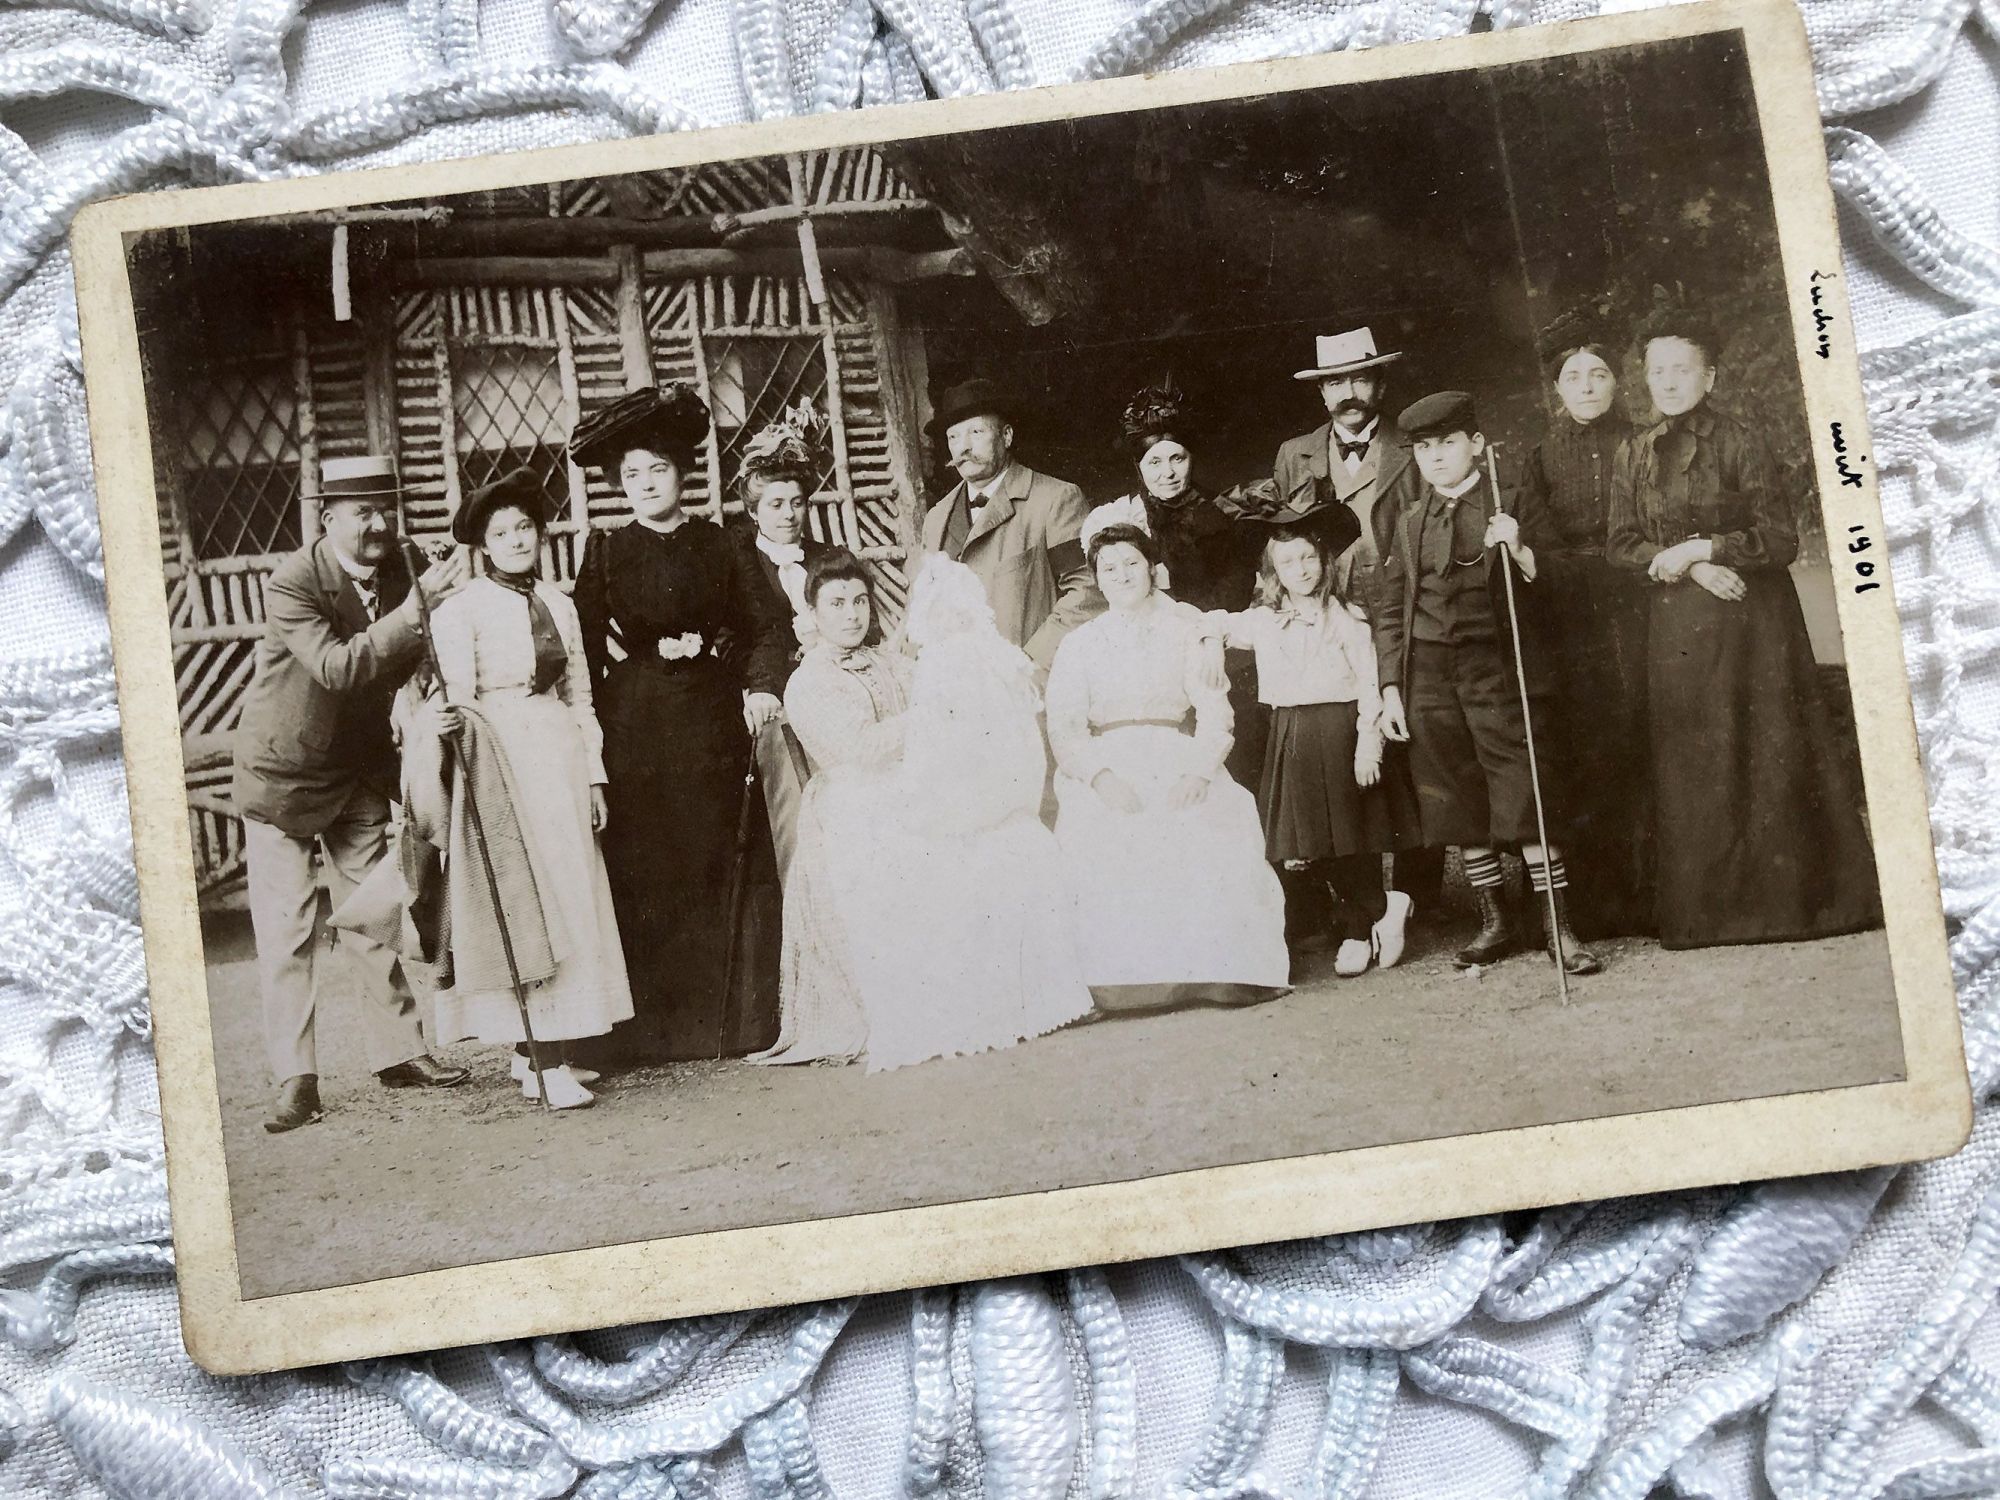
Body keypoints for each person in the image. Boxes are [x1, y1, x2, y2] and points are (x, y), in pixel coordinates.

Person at [1606, 309, 1881, 948]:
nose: (1669, 382)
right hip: (1678, 624)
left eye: (1683, 369)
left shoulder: (1741, 440)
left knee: (1765, 748)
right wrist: (1688, 566)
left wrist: (1706, 546)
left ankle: (1794, 908)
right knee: (1696, 760)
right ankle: (1707, 916)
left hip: (1754, 624)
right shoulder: (1634, 451)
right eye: (1658, 371)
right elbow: (1621, 545)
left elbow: (1780, 539)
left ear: (1710, 376)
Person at [754, 550, 1091, 1070]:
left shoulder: (892, 661)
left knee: (999, 839)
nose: (851, 614)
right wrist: (934, 716)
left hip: (911, 787)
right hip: (852, 806)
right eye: (837, 603)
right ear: (813, 613)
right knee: (926, 857)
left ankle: (1004, 995)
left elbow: (950, 691)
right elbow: (861, 749)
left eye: (860, 601)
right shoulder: (809, 680)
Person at [232, 454, 470, 1134]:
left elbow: (421, 658)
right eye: (362, 513)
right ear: (328, 518)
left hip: (358, 771)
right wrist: (418, 609)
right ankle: (296, 1080)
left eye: (385, 509)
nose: (378, 525)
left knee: (374, 914)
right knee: (287, 934)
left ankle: (399, 1053)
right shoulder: (293, 582)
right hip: (284, 772)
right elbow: (337, 668)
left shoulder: (405, 565)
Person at [567, 384, 793, 1066]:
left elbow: (769, 627)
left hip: (711, 720)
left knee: (717, 856)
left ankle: (732, 1026)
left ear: (681, 476)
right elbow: (575, 645)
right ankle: (649, 1033)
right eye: (630, 475)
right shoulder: (606, 552)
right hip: (634, 723)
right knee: (647, 867)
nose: (643, 485)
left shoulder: (722, 543)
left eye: (656, 471)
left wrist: (758, 687)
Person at [423, 472, 633, 1111]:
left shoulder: (559, 602)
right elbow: (456, 698)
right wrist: (446, 722)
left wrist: (594, 774)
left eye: (525, 529)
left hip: (561, 752)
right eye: (502, 533)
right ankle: (538, 1058)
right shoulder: (461, 611)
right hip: (504, 759)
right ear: (482, 545)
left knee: (572, 891)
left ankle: (548, 1048)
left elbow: (580, 694)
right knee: (529, 895)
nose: (517, 540)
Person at [1372, 392, 1600, 976]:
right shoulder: (1409, 520)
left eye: (1448, 443)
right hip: (1427, 674)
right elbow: (1391, 609)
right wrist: (1391, 688)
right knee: (1456, 793)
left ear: (1475, 445)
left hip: (1500, 666)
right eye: (1425, 448)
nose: (1437, 457)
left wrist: (1521, 549)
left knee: (1525, 786)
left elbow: (1570, 581)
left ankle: (1557, 927)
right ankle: (1495, 921)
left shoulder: (1516, 503)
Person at [1046, 499, 1290, 1009]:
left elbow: (1215, 712)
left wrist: (1200, 771)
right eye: (1108, 568)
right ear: (1095, 578)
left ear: (1153, 569)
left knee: (1207, 816)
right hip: (1107, 759)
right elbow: (1066, 729)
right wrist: (1100, 777)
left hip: (1175, 751)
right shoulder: (1079, 644)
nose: (1121, 575)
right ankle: (1122, 980)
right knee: (1104, 826)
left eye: (1131, 563)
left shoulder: (1188, 630)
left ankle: (1221, 971)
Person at [1259, 327, 1437, 957]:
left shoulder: (1413, 448)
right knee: (1341, 775)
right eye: (1336, 383)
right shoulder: (1295, 455)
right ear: (1322, 394)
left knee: (1411, 752)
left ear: (1380, 385)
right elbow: (1280, 543)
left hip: (1403, 617)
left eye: (1360, 380)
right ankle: (1361, 907)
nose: (1349, 394)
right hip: (1327, 622)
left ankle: (1415, 896)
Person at [1205, 524, 1399, 976]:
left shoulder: (1347, 617)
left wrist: (1368, 746)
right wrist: (1213, 644)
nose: (1301, 570)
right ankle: (1339, 918)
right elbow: (1212, 622)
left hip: (1339, 730)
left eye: (1308, 558)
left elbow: (1370, 683)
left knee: (1349, 835)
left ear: (1324, 561)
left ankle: (1360, 926)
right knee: (1306, 838)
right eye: (1288, 562)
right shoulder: (1264, 619)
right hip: (1290, 732)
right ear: (1273, 571)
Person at [1517, 328, 1652, 938]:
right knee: (1590, 750)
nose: (1587, 386)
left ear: (1618, 381)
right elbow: (1539, 540)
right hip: (1575, 615)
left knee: (1648, 740)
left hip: (1646, 600)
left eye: (1598, 374)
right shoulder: (1542, 456)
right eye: (1573, 377)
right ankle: (1599, 906)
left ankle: (1658, 895)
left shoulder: (1645, 442)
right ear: (1556, 391)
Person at [920, 376, 1104, 677]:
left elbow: (1088, 592)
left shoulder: (1055, 499)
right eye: (954, 437)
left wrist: (1030, 663)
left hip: (1028, 685)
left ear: (1006, 436)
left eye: (976, 432)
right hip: (957, 689)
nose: (963, 447)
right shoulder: (936, 518)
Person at [731, 400, 831, 884]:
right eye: (774, 503)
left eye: (796, 502)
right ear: (754, 510)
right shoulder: (740, 564)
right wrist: (759, 685)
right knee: (792, 818)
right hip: (772, 706)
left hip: (832, 699)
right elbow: (733, 635)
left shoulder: (829, 558)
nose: (788, 514)